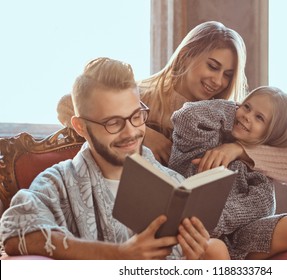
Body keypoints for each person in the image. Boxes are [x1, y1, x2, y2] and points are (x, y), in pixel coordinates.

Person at [0, 57, 229, 260]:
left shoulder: (175, 184)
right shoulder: (57, 182)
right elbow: (14, 232)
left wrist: (198, 258)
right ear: (80, 127)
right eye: (113, 123)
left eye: (136, 116)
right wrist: (118, 255)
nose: (131, 132)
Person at [56, 21, 287, 186]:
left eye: (227, 75)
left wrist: (236, 150)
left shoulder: (227, 115)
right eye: (213, 67)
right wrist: (146, 134)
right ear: (188, 55)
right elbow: (67, 106)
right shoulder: (141, 95)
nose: (218, 81)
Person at [168, 86, 287, 260]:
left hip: (233, 239)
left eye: (260, 118)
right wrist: (232, 110)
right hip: (184, 226)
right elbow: (187, 116)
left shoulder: (257, 172)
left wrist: (213, 219)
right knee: (212, 248)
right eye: (247, 107)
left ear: (273, 134)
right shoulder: (207, 138)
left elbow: (261, 207)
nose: (247, 116)